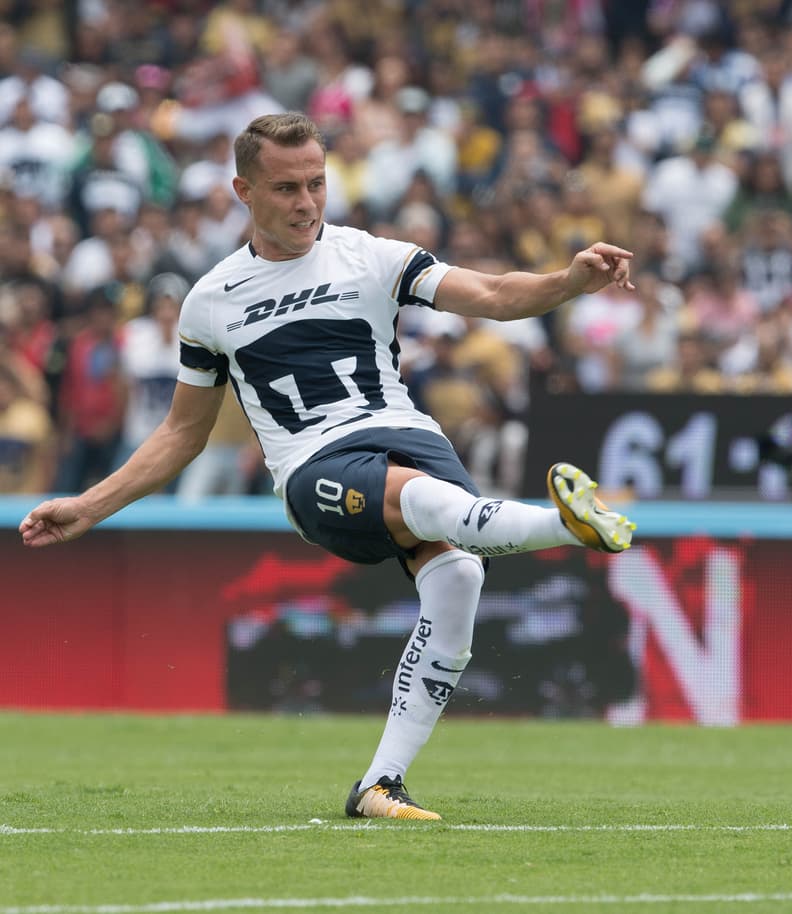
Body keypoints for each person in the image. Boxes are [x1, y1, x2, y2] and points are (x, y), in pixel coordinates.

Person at [19, 112, 637, 821]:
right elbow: (180, 436)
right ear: (242, 191)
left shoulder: (372, 256)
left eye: (316, 183)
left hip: (410, 432)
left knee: (461, 575)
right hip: (317, 465)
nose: (307, 202)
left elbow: (494, 296)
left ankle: (380, 785)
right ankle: (568, 525)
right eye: (286, 188)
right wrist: (88, 506)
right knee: (432, 505)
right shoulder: (210, 302)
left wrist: (568, 282)